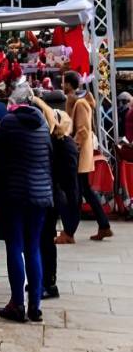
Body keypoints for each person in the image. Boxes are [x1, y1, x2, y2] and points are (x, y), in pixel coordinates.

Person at [0, 81, 53, 322]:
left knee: (14, 245)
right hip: (40, 195)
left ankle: (17, 304)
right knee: (33, 247)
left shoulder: (8, 122)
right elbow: (48, 155)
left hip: (14, 194)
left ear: (14, 104)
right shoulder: (43, 124)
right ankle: (35, 305)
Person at [61, 70, 113, 241]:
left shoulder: (81, 103)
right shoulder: (76, 101)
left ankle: (69, 232)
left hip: (79, 153)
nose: (62, 85)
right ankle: (103, 225)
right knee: (85, 190)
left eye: (63, 82)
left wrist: (72, 147)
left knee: (78, 192)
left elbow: (83, 130)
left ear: (69, 84)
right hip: (80, 153)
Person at [41, 109, 79, 299]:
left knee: (46, 241)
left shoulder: (64, 144)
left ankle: (49, 283)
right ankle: (43, 280)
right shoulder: (55, 142)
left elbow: (69, 181)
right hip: (49, 195)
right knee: (43, 240)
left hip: (53, 197)